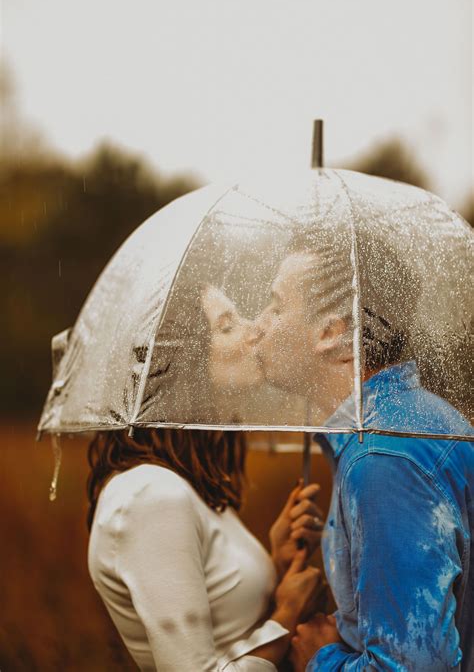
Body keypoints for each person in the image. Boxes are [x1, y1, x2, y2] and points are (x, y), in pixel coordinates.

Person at [255, 237, 474, 671]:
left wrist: (321, 658)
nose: (259, 325)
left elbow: (411, 666)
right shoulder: (410, 421)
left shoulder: (383, 459)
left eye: (276, 306)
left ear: (331, 333)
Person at [87, 429, 323, 671]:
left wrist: (280, 566)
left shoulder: (186, 487)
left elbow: (228, 618)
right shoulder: (152, 494)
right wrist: (289, 613)